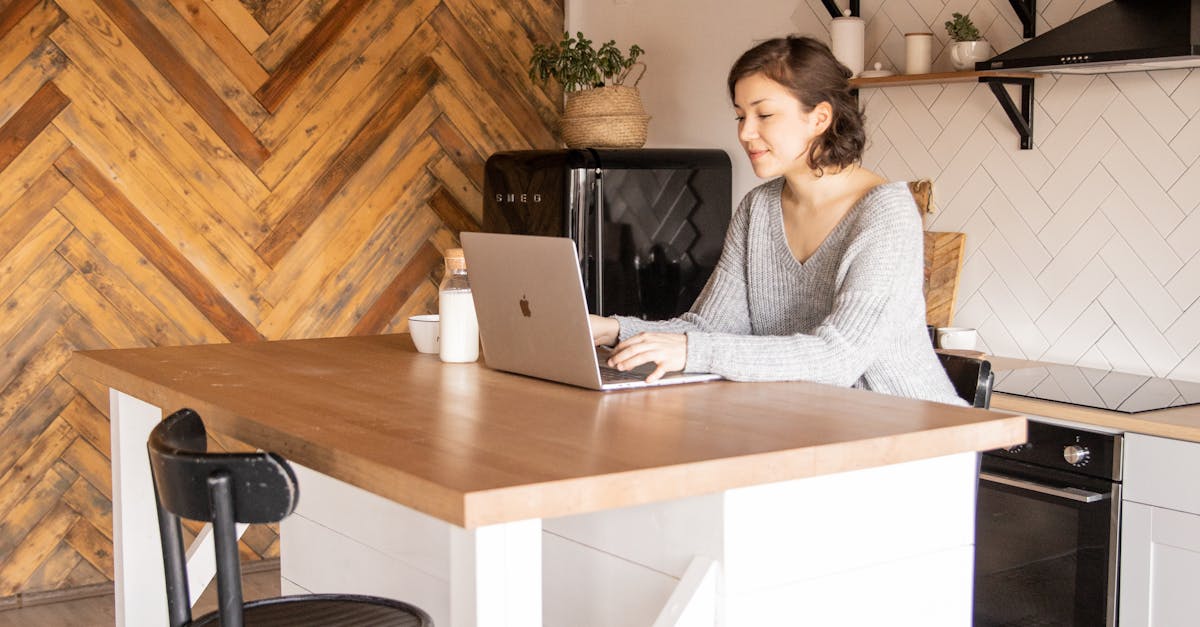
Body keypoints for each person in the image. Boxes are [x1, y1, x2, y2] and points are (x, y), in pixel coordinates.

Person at [589, 35, 964, 405]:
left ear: (819, 117)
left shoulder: (885, 214)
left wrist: (694, 350)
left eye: (763, 114)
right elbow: (708, 329)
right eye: (740, 115)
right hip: (813, 426)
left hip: (915, 434)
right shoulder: (759, 208)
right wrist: (614, 330)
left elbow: (839, 357)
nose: (745, 132)